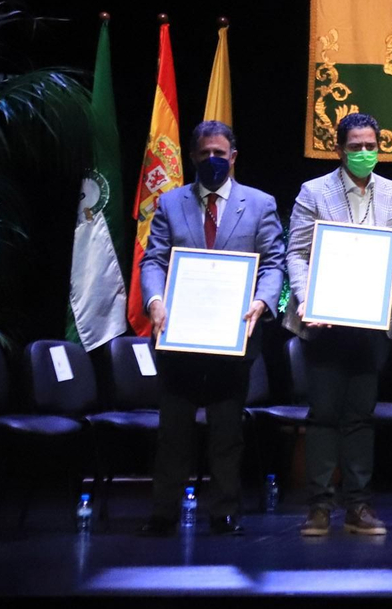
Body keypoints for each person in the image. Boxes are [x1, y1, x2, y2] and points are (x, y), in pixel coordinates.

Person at [138, 121, 284, 536]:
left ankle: (224, 512)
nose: (213, 160)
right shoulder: (170, 203)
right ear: (192, 157)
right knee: (173, 430)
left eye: (220, 153)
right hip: (179, 333)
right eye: (205, 154)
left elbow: (273, 263)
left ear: (233, 157)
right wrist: (155, 301)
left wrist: (262, 301)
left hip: (233, 335)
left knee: (226, 429)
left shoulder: (260, 204)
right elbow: (154, 260)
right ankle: (163, 513)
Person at [285, 112, 392, 536]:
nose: (363, 153)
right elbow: (296, 253)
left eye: (370, 146)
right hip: (324, 322)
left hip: (371, 325)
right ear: (339, 149)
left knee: (360, 415)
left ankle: (358, 506)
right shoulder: (313, 191)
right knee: (323, 414)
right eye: (355, 146)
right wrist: (306, 299)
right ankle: (319, 507)